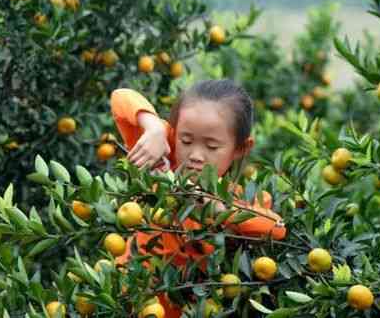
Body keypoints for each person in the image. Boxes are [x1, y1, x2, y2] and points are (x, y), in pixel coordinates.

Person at [110, 80, 286, 316]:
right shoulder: (162, 161)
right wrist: (154, 130)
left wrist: (216, 207)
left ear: (240, 149)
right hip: (125, 303)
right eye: (186, 141)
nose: (195, 155)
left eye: (212, 146)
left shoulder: (241, 201)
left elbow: (277, 228)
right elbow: (121, 97)